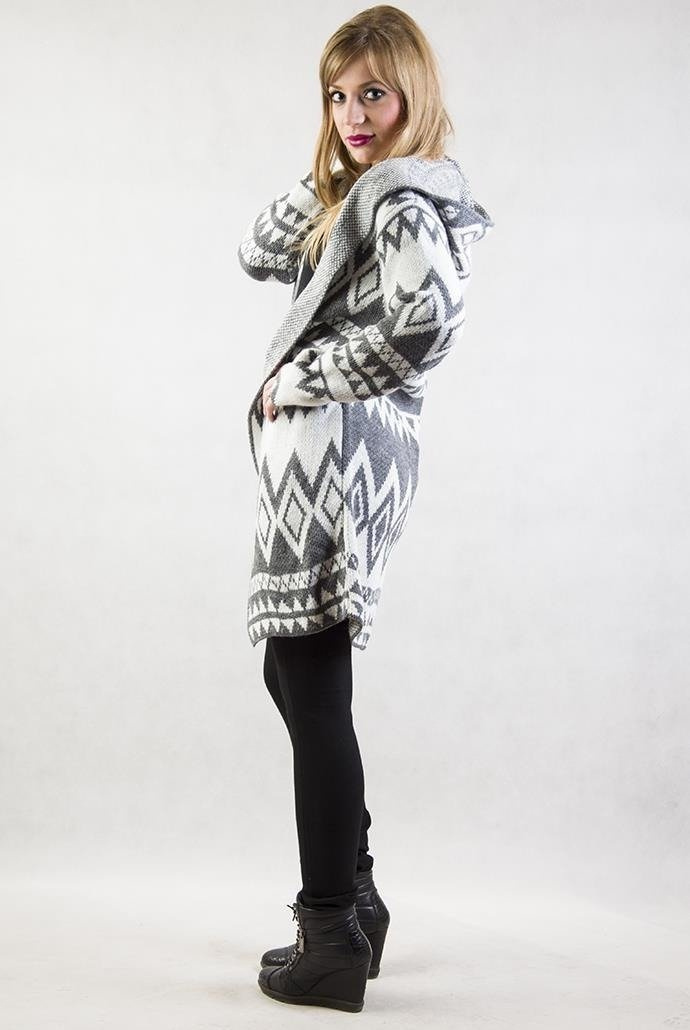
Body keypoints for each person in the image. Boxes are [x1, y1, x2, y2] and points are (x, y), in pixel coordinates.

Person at [236, 3, 494, 1013]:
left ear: (412, 96)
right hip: (330, 460)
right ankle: (357, 900)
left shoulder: (400, 203)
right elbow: (256, 249)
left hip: (339, 462)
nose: (352, 113)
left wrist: (304, 379)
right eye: (337, 96)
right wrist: (330, 171)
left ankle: (331, 928)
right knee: (296, 673)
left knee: (312, 680)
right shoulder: (367, 194)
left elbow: (428, 326)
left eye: (374, 94)